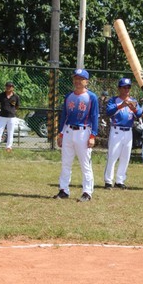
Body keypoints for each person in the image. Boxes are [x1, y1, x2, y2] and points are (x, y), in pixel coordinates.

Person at [54, 69, 99, 202]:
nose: (78, 81)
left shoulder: (91, 97)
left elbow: (94, 116)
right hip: (68, 130)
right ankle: (63, 190)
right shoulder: (69, 96)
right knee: (66, 162)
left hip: (83, 131)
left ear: (87, 81)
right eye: (76, 78)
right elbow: (64, 116)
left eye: (81, 79)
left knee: (85, 164)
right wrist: (60, 133)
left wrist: (93, 135)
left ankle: (87, 192)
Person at [103, 78, 142, 189]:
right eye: (124, 87)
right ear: (119, 88)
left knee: (125, 157)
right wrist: (121, 105)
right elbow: (109, 112)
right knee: (113, 156)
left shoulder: (133, 100)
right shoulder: (114, 100)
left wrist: (133, 108)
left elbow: (139, 114)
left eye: (128, 87)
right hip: (116, 130)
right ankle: (108, 181)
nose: (126, 89)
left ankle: (120, 181)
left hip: (128, 131)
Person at [0, 81, 20, 152]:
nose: (8, 88)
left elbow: (17, 106)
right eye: (7, 86)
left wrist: (12, 111)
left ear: (13, 88)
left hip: (12, 117)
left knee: (10, 132)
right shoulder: (1, 95)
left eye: (10, 86)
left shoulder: (16, 97)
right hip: (2, 116)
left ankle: (8, 147)